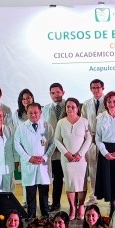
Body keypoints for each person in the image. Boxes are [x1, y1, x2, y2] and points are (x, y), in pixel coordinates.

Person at [15, 102, 54, 218]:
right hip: (29, 164)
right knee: (30, 193)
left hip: (43, 164)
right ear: (27, 113)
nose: (33, 115)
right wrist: (28, 158)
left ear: (40, 112)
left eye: (36, 112)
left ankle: (45, 215)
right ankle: (31, 216)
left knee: (44, 192)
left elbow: (53, 143)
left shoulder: (47, 126)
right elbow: (17, 144)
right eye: (30, 113)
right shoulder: (21, 127)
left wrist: (45, 157)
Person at [56, 97, 92, 218]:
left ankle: (81, 206)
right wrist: (66, 153)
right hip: (67, 159)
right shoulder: (61, 123)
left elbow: (89, 139)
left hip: (81, 158)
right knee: (70, 183)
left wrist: (80, 154)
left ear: (78, 108)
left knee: (82, 183)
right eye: (68, 106)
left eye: (73, 106)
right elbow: (57, 139)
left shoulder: (84, 121)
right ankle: (72, 207)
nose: (70, 109)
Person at [44, 83, 68, 212]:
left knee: (64, 177)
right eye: (53, 93)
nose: (55, 95)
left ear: (63, 92)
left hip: (67, 148)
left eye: (58, 92)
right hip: (51, 149)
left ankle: (73, 204)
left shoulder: (69, 105)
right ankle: (53, 202)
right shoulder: (46, 109)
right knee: (53, 177)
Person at [82, 79, 106, 193]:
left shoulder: (109, 101)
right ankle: (94, 194)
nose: (96, 90)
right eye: (93, 88)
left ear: (103, 88)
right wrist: (90, 137)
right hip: (91, 140)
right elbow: (83, 122)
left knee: (106, 167)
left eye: (98, 87)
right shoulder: (86, 104)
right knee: (92, 168)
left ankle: (108, 193)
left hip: (105, 140)